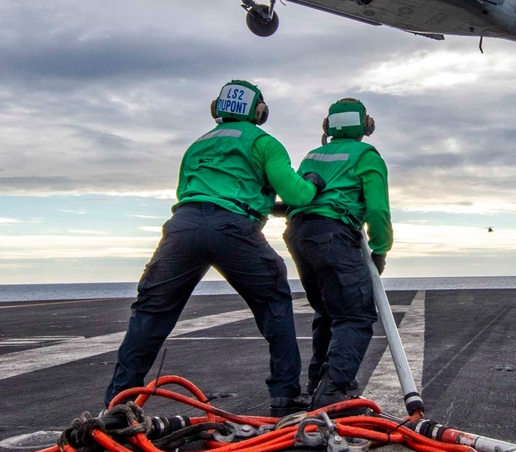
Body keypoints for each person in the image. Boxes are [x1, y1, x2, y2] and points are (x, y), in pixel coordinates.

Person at [104, 79, 324, 416]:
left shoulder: (198, 145)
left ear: (216, 109)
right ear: (260, 113)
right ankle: (285, 395)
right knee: (274, 304)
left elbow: (186, 190)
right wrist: (312, 184)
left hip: (184, 227)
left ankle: (118, 404)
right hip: (235, 228)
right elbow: (296, 195)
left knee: (150, 313)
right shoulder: (264, 143)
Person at [284, 98, 393, 408]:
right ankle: (333, 393)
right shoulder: (366, 155)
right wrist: (380, 249)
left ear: (328, 126)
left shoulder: (312, 155)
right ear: (366, 126)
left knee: (329, 310)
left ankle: (318, 381)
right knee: (355, 315)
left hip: (299, 233)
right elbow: (376, 208)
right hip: (333, 234)